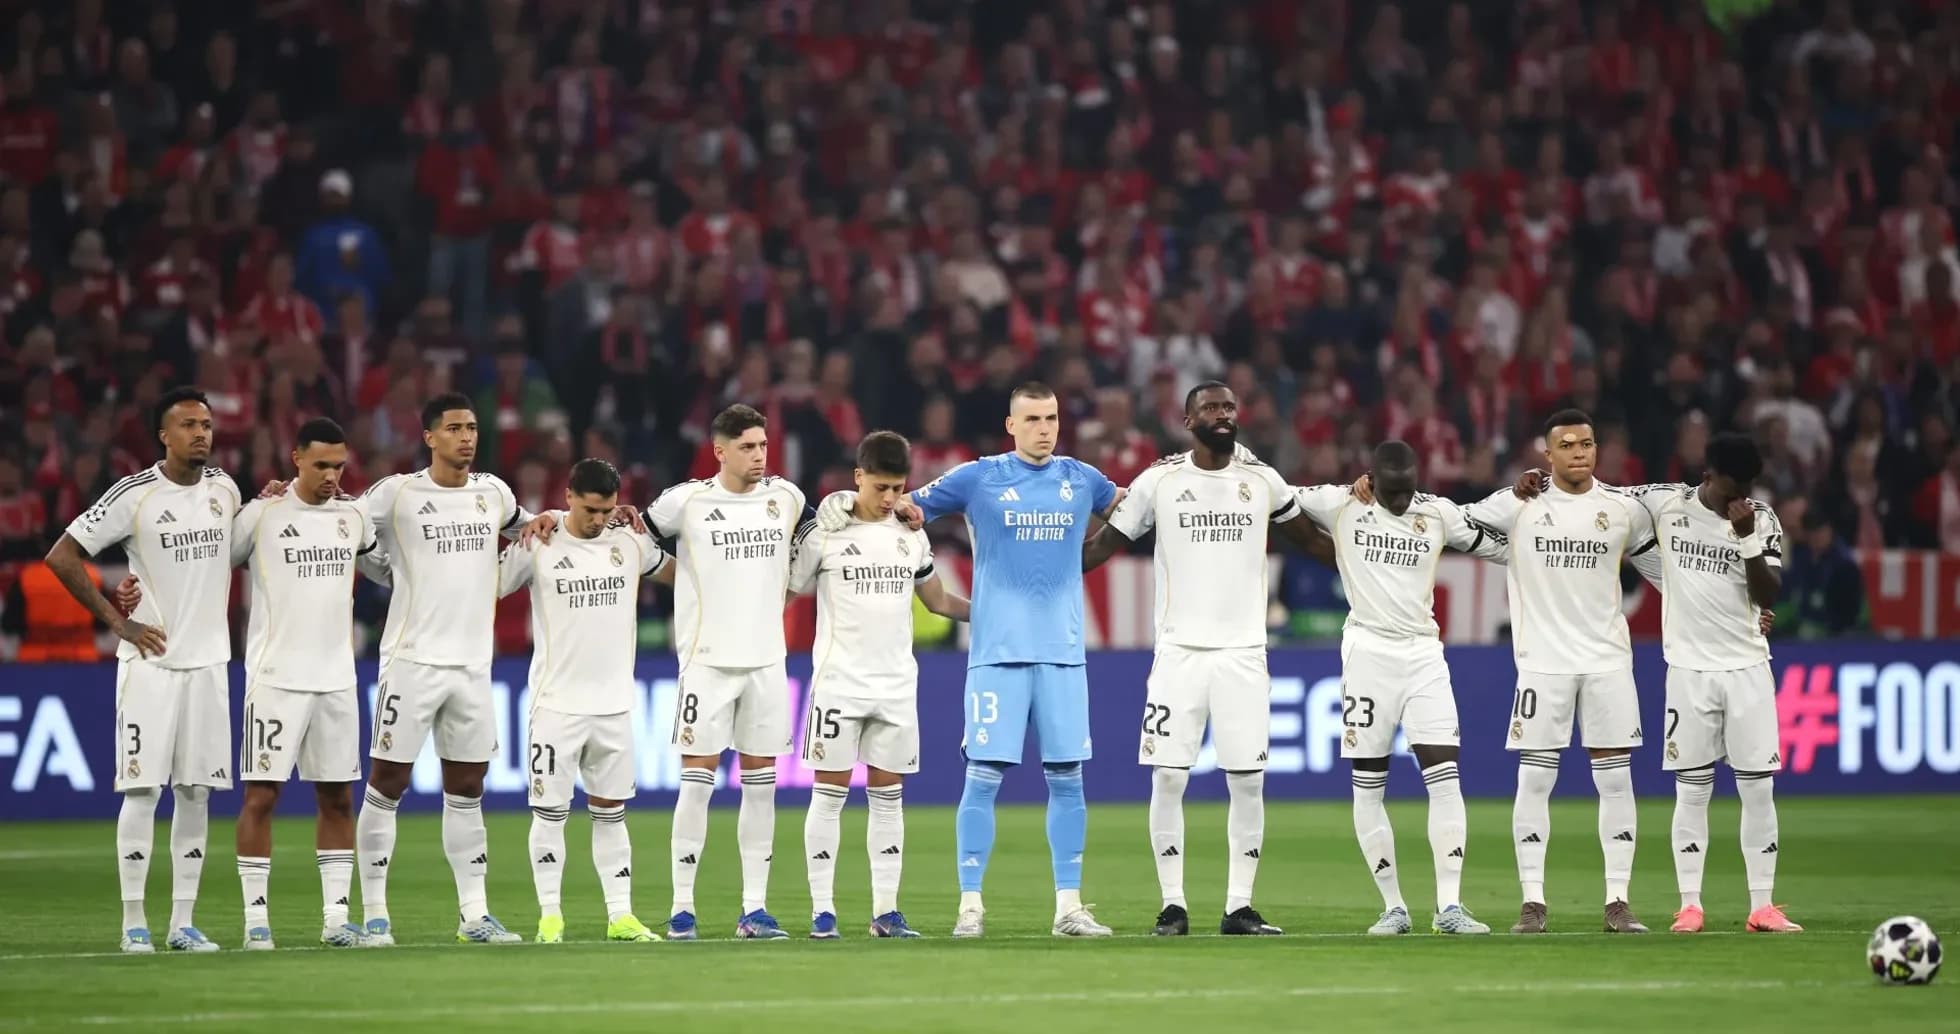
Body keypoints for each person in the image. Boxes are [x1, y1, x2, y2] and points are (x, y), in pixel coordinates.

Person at [816, 382, 1124, 938]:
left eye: (1052, 418)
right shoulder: (978, 476)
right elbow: (902, 509)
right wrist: (840, 501)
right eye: (1032, 419)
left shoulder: (1082, 479)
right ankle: (971, 906)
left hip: (1062, 653)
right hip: (997, 656)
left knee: (1068, 779)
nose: (1045, 428)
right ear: (1011, 425)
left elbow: (1133, 507)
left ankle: (1069, 908)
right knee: (982, 780)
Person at [1362, 408, 1656, 934]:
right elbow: (1452, 520)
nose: (1579, 452)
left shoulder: (1623, 509)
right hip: (1543, 664)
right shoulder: (1517, 504)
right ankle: (1533, 903)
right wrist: (1370, 489)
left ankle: (1617, 900)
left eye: (1586, 443)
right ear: (1548, 454)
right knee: (1536, 780)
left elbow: (1660, 569)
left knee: (1615, 782)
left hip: (1609, 660)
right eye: (1566, 444)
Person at [1520, 434, 1800, 934]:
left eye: (1749, 487)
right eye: (1734, 486)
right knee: (1692, 791)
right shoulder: (1666, 503)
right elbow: (1602, 495)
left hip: (1749, 670)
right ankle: (1690, 904)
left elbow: (1769, 591)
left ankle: (1763, 905)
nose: (1742, 497)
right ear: (1709, 475)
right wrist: (1541, 484)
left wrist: (1747, 537)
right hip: (1688, 671)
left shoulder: (1761, 519)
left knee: (1758, 791)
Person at [1079, 381, 1326, 936]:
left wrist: (1370, 564)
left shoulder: (1261, 480)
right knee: (1168, 777)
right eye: (1209, 408)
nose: (1222, 414)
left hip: (1243, 653)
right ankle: (1173, 905)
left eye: (1229, 406)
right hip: (1179, 653)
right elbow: (1101, 547)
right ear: (1188, 421)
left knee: (1249, 781)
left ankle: (1239, 906)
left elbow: (1311, 539)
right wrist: (1036, 568)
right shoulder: (1160, 481)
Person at [346, 392, 555, 946]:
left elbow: (531, 528)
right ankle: (375, 916)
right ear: (429, 437)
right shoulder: (398, 494)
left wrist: (563, 516)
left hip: (471, 667)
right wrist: (379, 569)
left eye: (473, 427)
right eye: (455, 428)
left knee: (467, 787)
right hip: (411, 661)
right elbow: (337, 520)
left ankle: (474, 914)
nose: (467, 437)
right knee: (387, 782)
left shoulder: (495, 493)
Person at [46, 386, 241, 953]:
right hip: (152, 664)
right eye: (187, 425)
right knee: (141, 790)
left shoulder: (225, 490)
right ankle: (135, 922)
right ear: (163, 434)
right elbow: (63, 555)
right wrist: (117, 619)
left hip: (209, 665)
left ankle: (183, 924)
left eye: (206, 423)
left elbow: (239, 550)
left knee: (197, 793)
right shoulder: (135, 495)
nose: (200, 433)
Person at [1296, 440, 1508, 936]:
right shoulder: (1341, 503)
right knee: (1369, 782)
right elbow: (1278, 497)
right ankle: (1393, 907)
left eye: (1406, 489)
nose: (1399, 500)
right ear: (1369, 478)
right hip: (1367, 654)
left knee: (1446, 775)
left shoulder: (1436, 513)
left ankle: (1450, 907)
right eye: (1390, 490)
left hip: (1422, 654)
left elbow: (1497, 546)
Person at [789, 431, 970, 939]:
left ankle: (886, 913)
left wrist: (989, 617)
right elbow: (784, 591)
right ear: (858, 477)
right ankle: (823, 912)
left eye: (898, 487)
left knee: (888, 798)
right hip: (838, 685)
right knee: (829, 796)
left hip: (895, 687)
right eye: (881, 487)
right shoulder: (824, 532)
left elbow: (937, 601)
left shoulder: (911, 534)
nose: (890, 498)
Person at [645, 404, 807, 940]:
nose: (759, 456)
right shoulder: (685, 502)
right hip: (706, 663)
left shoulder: (785, 498)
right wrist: (676, 575)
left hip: (765, 661)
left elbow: (813, 542)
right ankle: (682, 909)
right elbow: (633, 537)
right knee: (697, 784)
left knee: (760, 789)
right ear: (720, 451)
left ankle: (753, 910)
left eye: (762, 446)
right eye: (747, 447)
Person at [497, 458, 671, 945]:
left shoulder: (629, 539)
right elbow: (485, 587)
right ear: (568, 496)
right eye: (591, 509)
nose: (598, 520)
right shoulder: (539, 541)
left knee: (611, 812)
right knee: (550, 813)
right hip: (556, 705)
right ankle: (550, 918)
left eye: (607, 510)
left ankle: (621, 916)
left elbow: (678, 574)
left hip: (615, 705)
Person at [228, 418, 381, 949]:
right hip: (275, 680)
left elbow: (380, 554)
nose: (332, 476)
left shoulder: (354, 517)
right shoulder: (260, 515)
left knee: (338, 799)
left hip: (337, 680)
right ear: (295, 458)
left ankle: (337, 923)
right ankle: (255, 925)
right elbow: (208, 569)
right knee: (262, 798)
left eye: (339, 465)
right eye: (321, 465)